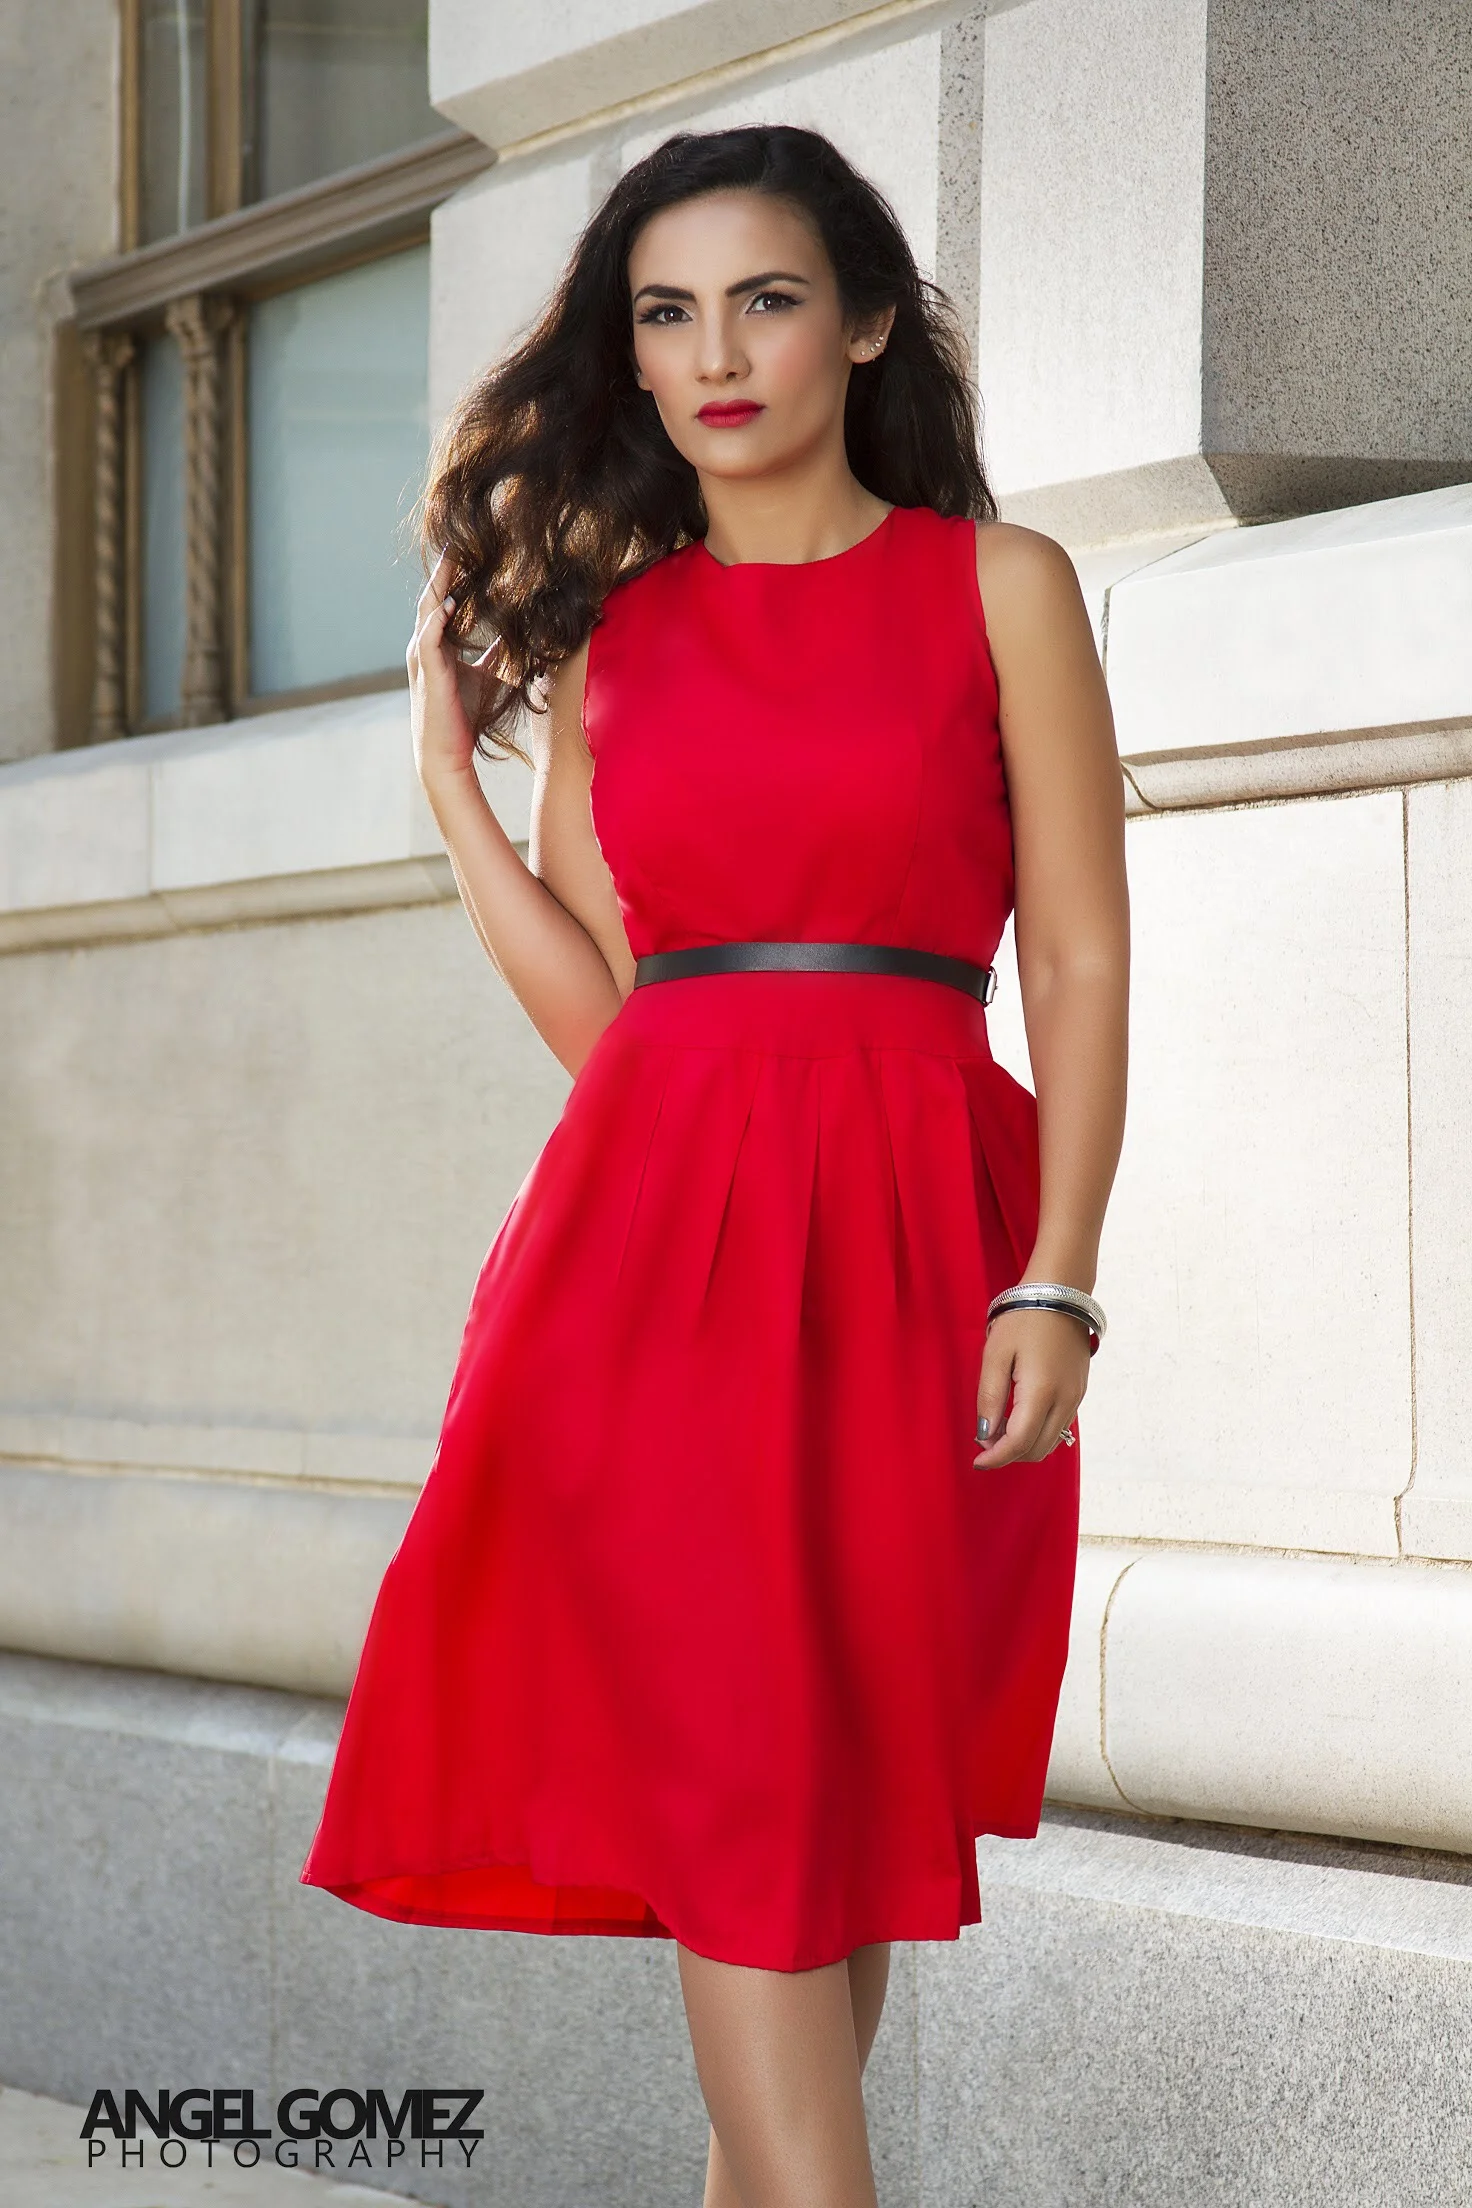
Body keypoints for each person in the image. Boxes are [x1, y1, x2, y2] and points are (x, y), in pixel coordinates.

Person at [299, 123, 1129, 2208]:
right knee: (751, 1777)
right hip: (651, 1255)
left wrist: (1060, 1270)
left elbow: (1085, 949)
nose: (715, 354)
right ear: (633, 362)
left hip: (924, 1226)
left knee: (835, 1792)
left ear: (861, 325)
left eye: (764, 299)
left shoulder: (997, 586)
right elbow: (614, 1026)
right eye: (665, 314)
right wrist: (450, 791)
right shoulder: (619, 644)